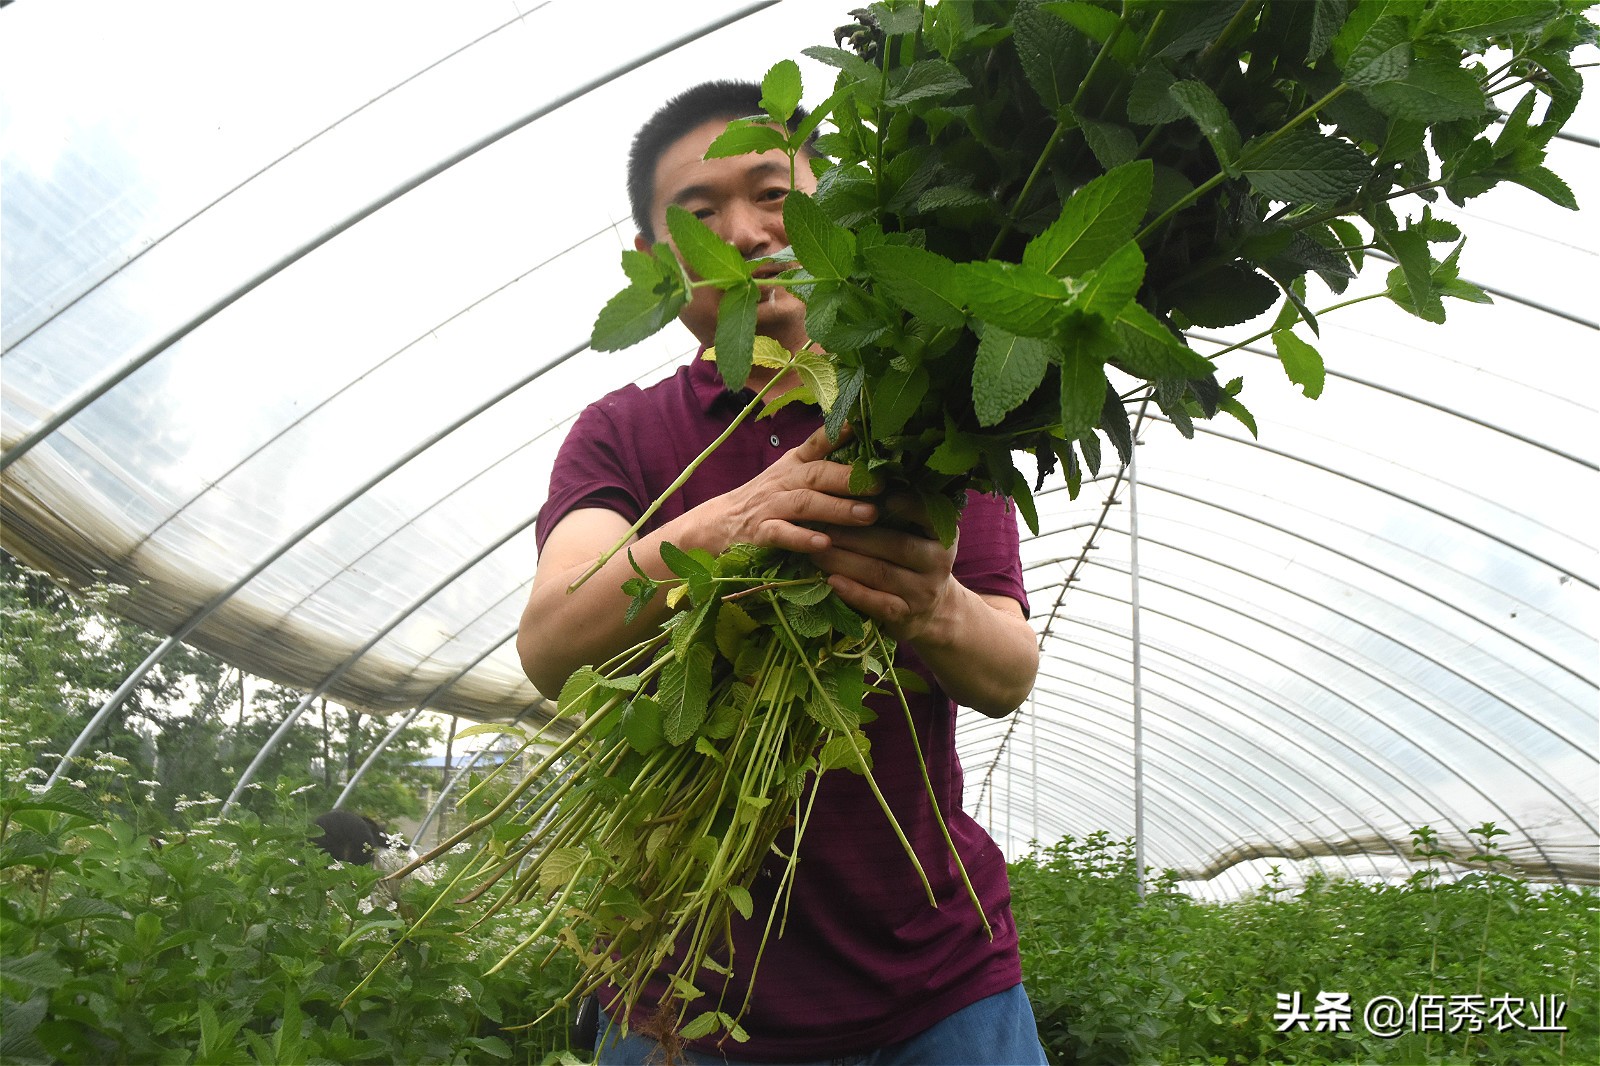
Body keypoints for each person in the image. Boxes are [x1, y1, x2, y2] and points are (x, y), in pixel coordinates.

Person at [519, 80, 1045, 1065]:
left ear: (832, 212)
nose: (748, 232)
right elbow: (551, 642)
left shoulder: (927, 412)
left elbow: (1007, 669)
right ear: (653, 264)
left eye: (773, 194)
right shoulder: (626, 435)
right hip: (677, 992)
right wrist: (729, 523)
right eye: (700, 215)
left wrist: (929, 603)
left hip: (935, 988)